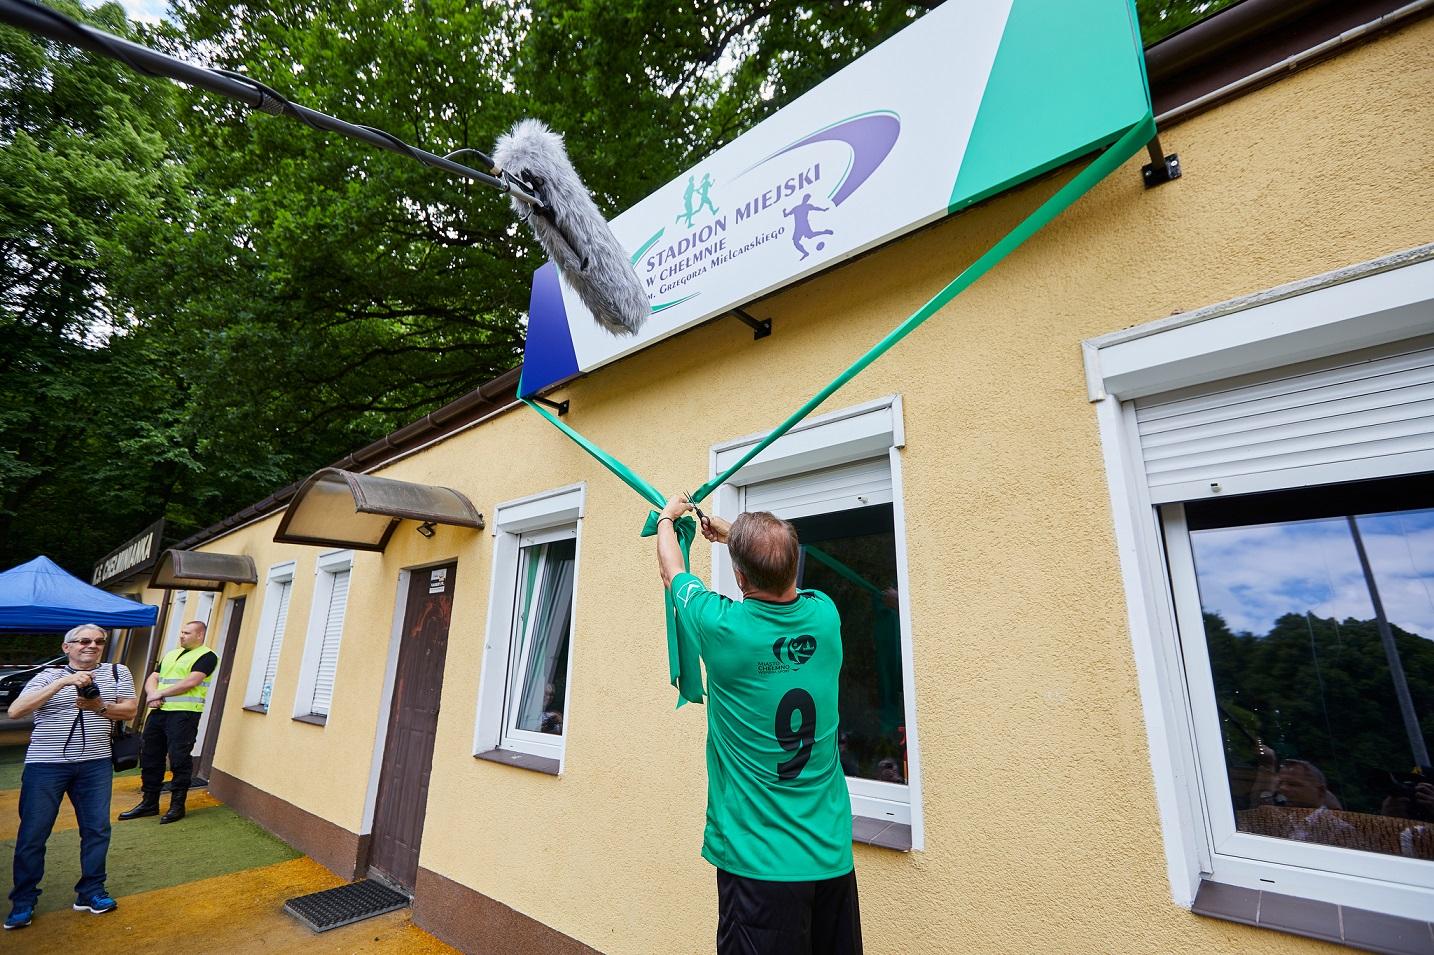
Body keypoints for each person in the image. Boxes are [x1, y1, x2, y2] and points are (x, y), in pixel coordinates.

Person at [655, 495, 862, 955]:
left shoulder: (725, 628)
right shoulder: (825, 616)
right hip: (830, 860)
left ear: (740, 577)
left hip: (759, 869)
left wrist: (667, 519)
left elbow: (674, 574)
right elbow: (779, 572)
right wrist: (734, 536)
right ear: (794, 567)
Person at [5, 624, 137, 930]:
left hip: (96, 764)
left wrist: (99, 705)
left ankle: (91, 891)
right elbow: (16, 711)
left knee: (97, 830)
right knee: (33, 834)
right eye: (84, 641)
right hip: (46, 765)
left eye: (99, 641)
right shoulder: (48, 675)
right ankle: (23, 900)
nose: (92, 645)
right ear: (67, 647)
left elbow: (129, 710)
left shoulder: (118, 673)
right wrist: (65, 682)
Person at [119, 619, 219, 825]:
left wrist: (159, 693)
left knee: (179, 758)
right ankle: (149, 802)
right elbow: (152, 677)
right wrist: (152, 694)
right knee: (149, 756)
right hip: (159, 712)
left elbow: (191, 682)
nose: (182, 635)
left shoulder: (207, 656)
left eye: (187, 633)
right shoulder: (171, 654)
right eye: (181, 632)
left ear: (200, 635)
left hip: (184, 714)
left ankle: (177, 805)